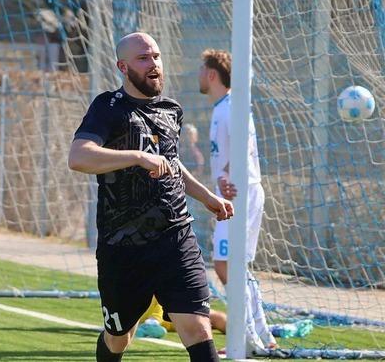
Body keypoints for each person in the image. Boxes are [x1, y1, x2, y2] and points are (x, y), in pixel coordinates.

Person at [68, 32, 233, 362]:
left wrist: (205, 197)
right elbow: (79, 157)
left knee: (198, 329)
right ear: (123, 67)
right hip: (123, 247)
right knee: (118, 338)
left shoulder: (171, 110)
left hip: (175, 237)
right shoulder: (108, 107)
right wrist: (137, 156)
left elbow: (170, 162)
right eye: (143, 58)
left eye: (156, 56)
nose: (153, 64)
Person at [198, 48, 276, 355]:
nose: (198, 75)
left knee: (224, 265)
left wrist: (229, 178)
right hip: (241, 192)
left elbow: (242, 149)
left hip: (240, 195)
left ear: (212, 74)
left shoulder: (230, 108)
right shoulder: (226, 107)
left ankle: (243, 339)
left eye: (201, 69)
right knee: (236, 266)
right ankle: (261, 334)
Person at [137, 296, 227, 337]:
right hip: (172, 318)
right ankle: (148, 326)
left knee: (212, 317)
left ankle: (238, 334)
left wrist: (154, 320)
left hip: (174, 314)